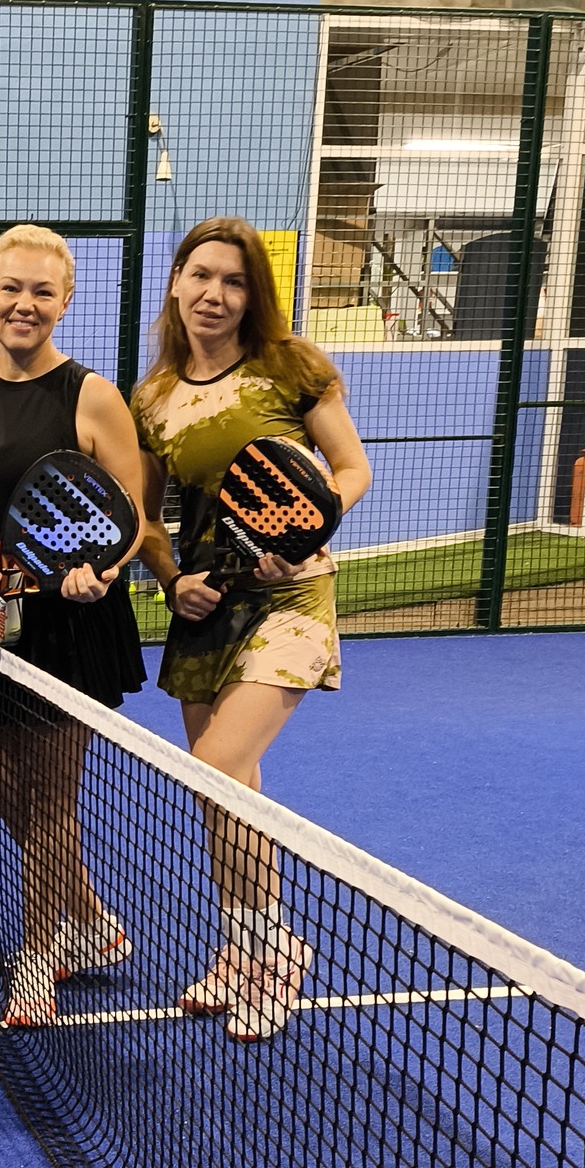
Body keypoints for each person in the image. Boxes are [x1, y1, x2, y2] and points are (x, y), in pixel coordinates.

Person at [134, 216, 372, 1040]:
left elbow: (352, 469)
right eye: (202, 275)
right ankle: (243, 945)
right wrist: (172, 582)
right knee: (225, 790)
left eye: (234, 282)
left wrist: (301, 532)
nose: (215, 294)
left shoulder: (291, 368)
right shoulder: (152, 399)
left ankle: (278, 950)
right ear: (176, 282)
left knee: (218, 765)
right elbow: (147, 520)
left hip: (291, 598)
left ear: (253, 295)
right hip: (206, 609)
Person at [0, 224, 149, 1027]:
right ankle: (91, 916)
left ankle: (38, 958)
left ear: (66, 301)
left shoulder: (93, 397)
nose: (25, 304)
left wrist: (100, 572)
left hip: (69, 632)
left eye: (43, 291)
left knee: (49, 805)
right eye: (11, 287)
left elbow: (131, 521)